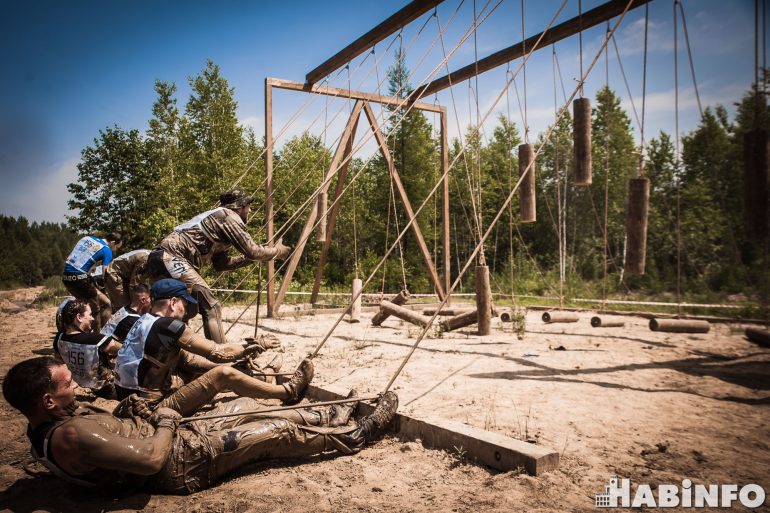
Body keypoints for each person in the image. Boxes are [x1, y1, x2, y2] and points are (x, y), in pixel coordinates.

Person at [2, 357, 398, 495]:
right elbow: (151, 460)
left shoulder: (51, 421)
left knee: (244, 405)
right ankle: (358, 434)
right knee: (273, 432)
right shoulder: (72, 435)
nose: (77, 384)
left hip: (161, 428)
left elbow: (111, 440)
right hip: (179, 460)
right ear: (48, 401)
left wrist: (128, 411)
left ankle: (329, 415)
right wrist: (168, 422)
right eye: (68, 383)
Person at [113, 278, 311, 417]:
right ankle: (288, 391)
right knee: (223, 375)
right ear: (173, 303)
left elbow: (188, 359)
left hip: (130, 401)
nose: (186, 311)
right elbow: (218, 352)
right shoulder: (168, 326)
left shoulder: (144, 322)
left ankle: (262, 376)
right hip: (149, 408)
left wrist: (238, 360)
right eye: (184, 304)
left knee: (195, 366)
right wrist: (251, 345)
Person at [147, 189, 290, 345]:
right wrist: (277, 252)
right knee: (211, 306)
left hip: (160, 257)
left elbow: (222, 264)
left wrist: (254, 257)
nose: (250, 211)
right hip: (171, 257)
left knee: (188, 309)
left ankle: (170, 350)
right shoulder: (229, 217)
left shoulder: (218, 221)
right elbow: (253, 251)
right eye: (248, 207)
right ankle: (221, 355)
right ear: (241, 206)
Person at [53, 299, 121, 399]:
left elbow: (58, 361)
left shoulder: (59, 339)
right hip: (108, 391)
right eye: (89, 315)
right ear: (79, 317)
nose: (92, 318)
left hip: (80, 384)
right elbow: (125, 350)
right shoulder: (96, 340)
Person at [62, 232, 123, 331]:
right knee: (95, 310)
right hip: (80, 279)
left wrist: (92, 266)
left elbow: (80, 254)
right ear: (112, 242)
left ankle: (78, 330)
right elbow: (105, 272)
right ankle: (97, 336)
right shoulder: (107, 250)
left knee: (106, 303)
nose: (115, 250)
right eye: (116, 247)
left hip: (66, 277)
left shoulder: (88, 238)